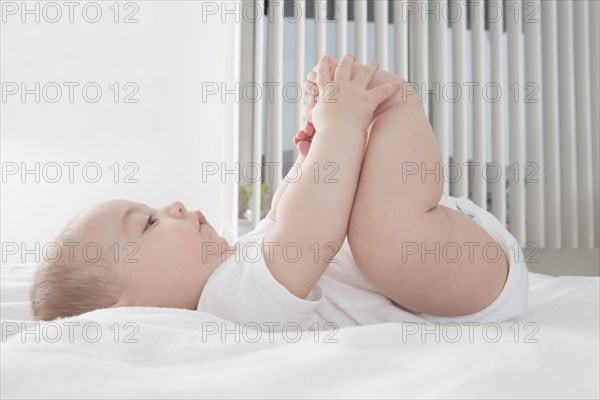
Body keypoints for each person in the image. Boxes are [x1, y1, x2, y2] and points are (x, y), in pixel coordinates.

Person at [30, 54, 528, 328]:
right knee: (382, 244)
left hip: (449, 250)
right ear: (133, 308)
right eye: (149, 222)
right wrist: (337, 127)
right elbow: (306, 232)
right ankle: (395, 108)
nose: (174, 204)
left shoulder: (240, 265)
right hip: (467, 279)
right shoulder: (226, 305)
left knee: (374, 232)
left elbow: (288, 210)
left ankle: (381, 109)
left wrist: (316, 144)